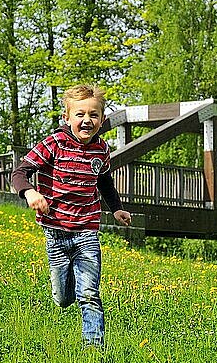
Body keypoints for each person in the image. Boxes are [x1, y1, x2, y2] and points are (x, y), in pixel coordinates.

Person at [11, 84, 131, 348]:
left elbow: (105, 182)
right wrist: (30, 193)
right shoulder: (53, 144)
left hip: (87, 230)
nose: (87, 120)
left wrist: (117, 208)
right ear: (67, 118)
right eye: (80, 115)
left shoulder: (102, 149)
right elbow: (19, 174)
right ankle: (71, 283)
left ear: (101, 119)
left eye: (93, 115)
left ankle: (94, 349)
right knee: (64, 298)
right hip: (55, 232)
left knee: (89, 293)